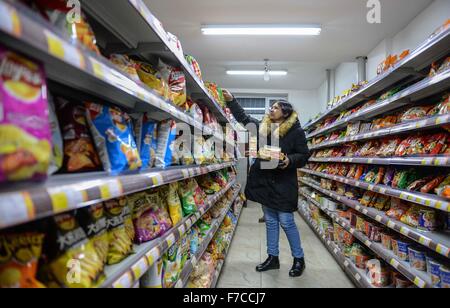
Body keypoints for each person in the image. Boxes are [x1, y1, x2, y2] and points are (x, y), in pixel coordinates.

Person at [222, 89, 311, 278]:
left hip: (284, 181)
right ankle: (273, 258)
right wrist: (231, 101)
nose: (271, 109)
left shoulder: (296, 132)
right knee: (270, 221)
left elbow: (304, 155)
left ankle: (299, 259)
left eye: (276, 107)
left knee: (286, 221)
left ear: (285, 113)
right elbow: (244, 118)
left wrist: (289, 160)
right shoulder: (263, 127)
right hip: (264, 182)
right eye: (271, 106)